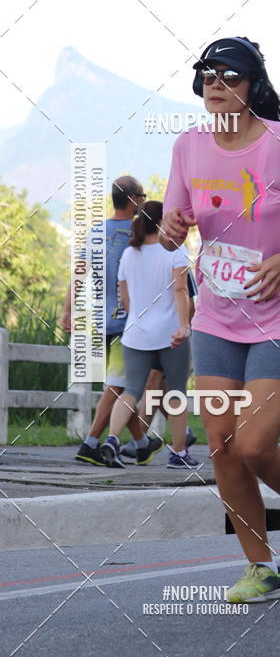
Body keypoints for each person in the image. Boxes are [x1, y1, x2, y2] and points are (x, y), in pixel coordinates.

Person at [161, 36, 280, 603]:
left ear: (253, 86)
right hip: (218, 315)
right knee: (220, 444)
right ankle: (260, 567)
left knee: (254, 446)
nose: (216, 84)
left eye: (230, 75)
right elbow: (183, 215)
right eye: (207, 75)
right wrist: (174, 228)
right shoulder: (189, 146)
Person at [100, 200, 198, 469]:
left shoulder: (130, 254)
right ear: (163, 221)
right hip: (170, 335)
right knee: (176, 393)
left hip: (135, 334)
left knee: (131, 391)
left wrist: (137, 320)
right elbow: (181, 291)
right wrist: (183, 326)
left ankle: (111, 440)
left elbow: (124, 296)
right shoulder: (175, 252)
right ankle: (179, 453)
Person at [60, 175, 147, 465]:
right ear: (133, 199)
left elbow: (79, 273)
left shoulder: (96, 232)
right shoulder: (139, 232)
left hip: (102, 321)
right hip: (129, 322)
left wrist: (67, 310)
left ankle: (143, 443)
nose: (144, 201)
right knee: (118, 386)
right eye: (142, 196)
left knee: (122, 385)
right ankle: (90, 443)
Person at [120, 270, 198, 460]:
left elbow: (191, 304)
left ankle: (139, 440)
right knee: (160, 390)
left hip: (172, 336)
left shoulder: (178, 264)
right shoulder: (140, 262)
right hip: (148, 334)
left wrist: (183, 330)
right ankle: (184, 432)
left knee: (152, 384)